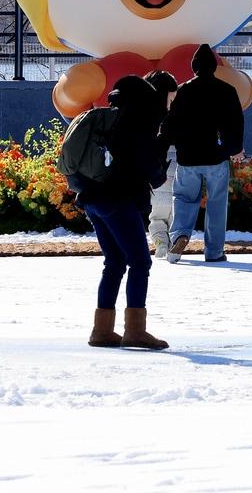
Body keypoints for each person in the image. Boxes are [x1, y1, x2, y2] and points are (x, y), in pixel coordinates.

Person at [75, 75, 169, 350]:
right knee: (140, 262)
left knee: (114, 262)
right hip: (117, 199)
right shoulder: (137, 124)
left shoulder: (109, 119)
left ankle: (102, 330)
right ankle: (135, 331)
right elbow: (151, 172)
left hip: (93, 198)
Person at [162, 44, 245, 264]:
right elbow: (235, 123)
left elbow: (169, 125)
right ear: (214, 67)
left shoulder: (183, 91)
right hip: (216, 157)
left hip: (188, 158)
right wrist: (234, 148)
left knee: (183, 198)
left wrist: (164, 144)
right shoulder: (227, 91)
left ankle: (180, 235)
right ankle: (214, 251)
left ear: (194, 67)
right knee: (217, 203)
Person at [143, 71, 179, 260]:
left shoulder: (142, 112)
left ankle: (160, 244)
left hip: (157, 167)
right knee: (174, 209)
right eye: (170, 98)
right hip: (175, 161)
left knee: (157, 213)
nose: (171, 102)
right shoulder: (172, 113)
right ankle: (172, 242)